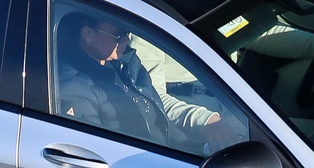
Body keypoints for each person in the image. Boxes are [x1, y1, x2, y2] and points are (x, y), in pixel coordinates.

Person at [55, 10, 247, 154]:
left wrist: (202, 130)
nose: (127, 38)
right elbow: (92, 154)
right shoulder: (75, 87)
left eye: (128, 32)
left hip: (170, 150)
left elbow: (157, 107)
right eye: (118, 33)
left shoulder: (126, 63)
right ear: (88, 34)